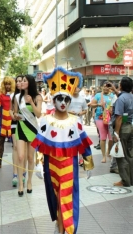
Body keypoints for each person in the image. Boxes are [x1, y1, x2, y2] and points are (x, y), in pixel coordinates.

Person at [31, 67, 94, 234]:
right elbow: (40, 144)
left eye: (66, 99)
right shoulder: (46, 121)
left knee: (66, 197)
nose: (63, 102)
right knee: (55, 197)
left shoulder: (75, 121)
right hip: (50, 166)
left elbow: (84, 143)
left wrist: (88, 164)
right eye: (59, 98)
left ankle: (67, 229)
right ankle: (60, 224)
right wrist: (38, 164)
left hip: (69, 166)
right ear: (53, 100)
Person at [13, 75, 42, 196]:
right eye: (21, 81)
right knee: (20, 157)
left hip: (32, 129)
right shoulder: (17, 97)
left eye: (24, 81)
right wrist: (16, 115)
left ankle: (29, 181)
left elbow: (39, 114)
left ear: (30, 82)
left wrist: (31, 102)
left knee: (31, 158)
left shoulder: (37, 97)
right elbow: (14, 112)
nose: (22, 83)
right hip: (20, 127)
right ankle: (20, 183)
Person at [112, 77, 133, 187]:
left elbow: (119, 117)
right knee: (130, 154)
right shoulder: (131, 97)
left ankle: (125, 180)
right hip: (130, 126)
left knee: (121, 155)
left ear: (121, 86)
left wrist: (116, 132)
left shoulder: (121, 99)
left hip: (123, 128)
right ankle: (131, 178)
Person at [0, 77, 15, 170]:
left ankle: (16, 162)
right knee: (1, 141)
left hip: (13, 118)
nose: (8, 86)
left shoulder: (15, 92)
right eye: (6, 84)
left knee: (15, 143)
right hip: (3, 119)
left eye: (9, 84)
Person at [90, 82, 116, 163]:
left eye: (107, 87)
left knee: (111, 138)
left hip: (111, 119)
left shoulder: (113, 96)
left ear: (110, 87)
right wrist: (98, 104)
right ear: (101, 87)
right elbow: (91, 104)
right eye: (104, 86)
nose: (106, 88)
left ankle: (108, 151)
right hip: (100, 118)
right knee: (103, 137)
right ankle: (103, 156)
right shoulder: (98, 95)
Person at [10, 75, 24, 187]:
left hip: (26, 125)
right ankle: (15, 174)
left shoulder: (28, 96)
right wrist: (13, 115)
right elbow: (10, 110)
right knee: (15, 147)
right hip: (15, 123)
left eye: (21, 81)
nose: (19, 83)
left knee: (23, 151)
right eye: (17, 81)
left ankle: (23, 172)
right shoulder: (13, 96)